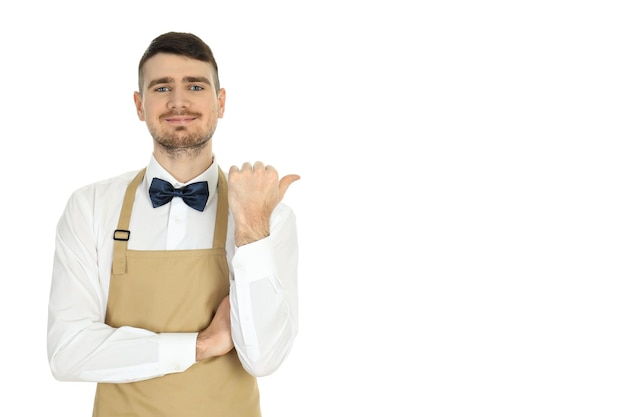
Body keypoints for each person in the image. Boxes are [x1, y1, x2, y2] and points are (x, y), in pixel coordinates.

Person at [46, 31, 299, 417]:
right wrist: (198, 345)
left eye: (195, 86)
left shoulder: (268, 216)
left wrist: (251, 231)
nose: (178, 101)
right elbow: (67, 352)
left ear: (221, 101)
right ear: (139, 104)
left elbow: (264, 358)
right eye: (162, 87)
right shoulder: (91, 207)